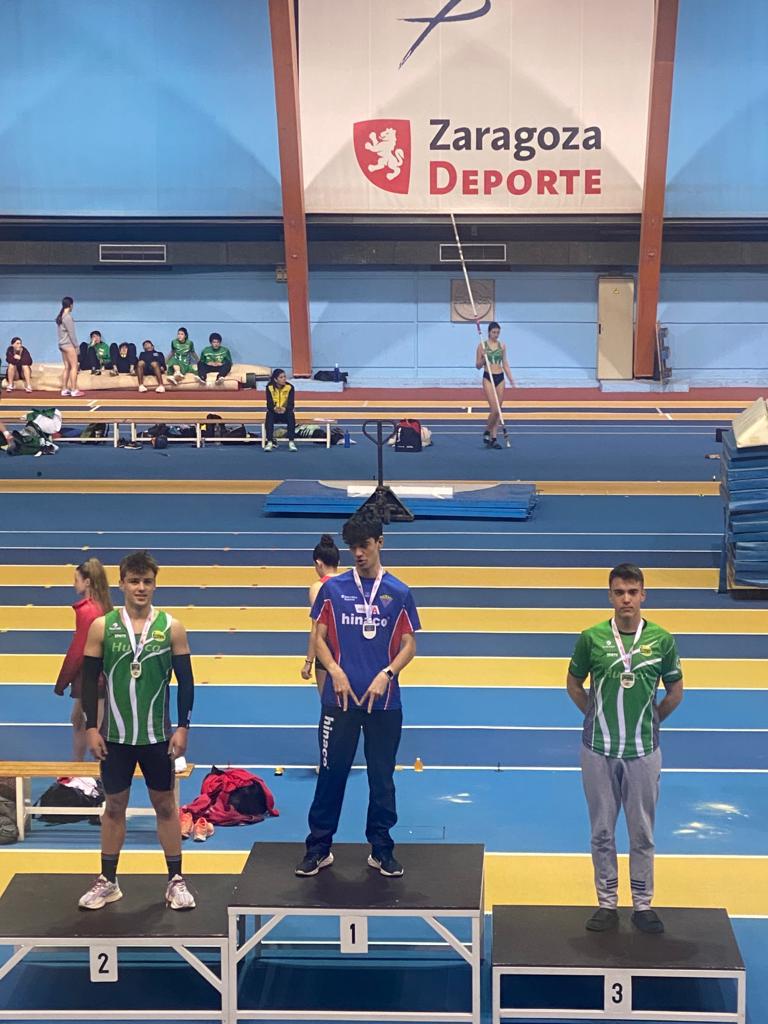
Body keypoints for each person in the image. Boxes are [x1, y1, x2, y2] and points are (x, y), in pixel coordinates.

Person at [295, 509, 420, 879]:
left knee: (382, 779)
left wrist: (388, 673)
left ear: (380, 542)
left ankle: (381, 849)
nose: (359, 553)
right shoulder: (333, 590)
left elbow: (410, 645)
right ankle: (319, 848)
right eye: (353, 547)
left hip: (384, 703)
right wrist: (333, 671)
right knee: (331, 775)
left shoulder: (399, 592)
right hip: (340, 703)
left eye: (365, 545)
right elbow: (318, 637)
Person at [566, 563, 684, 935]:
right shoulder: (591, 638)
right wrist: (595, 716)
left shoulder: (662, 640)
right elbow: (573, 684)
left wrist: (652, 720)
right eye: (619, 592)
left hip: (644, 751)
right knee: (602, 831)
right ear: (610, 596)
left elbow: (675, 692)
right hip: (598, 749)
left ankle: (643, 904)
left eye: (633, 592)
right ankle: (606, 903)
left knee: (642, 832)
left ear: (643, 594)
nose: (626, 599)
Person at [78, 550, 196, 911]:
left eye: (147, 581)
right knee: (114, 807)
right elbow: (89, 681)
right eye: (134, 581)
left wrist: (183, 727)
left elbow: (186, 682)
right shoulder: (103, 627)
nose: (141, 588)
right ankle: (108, 881)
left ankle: (175, 880)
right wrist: (91, 728)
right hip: (114, 737)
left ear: (155, 585)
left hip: (157, 736)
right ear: (122, 584)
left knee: (166, 805)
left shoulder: (172, 627)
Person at [54, 559, 113, 759]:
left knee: (95, 728)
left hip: (94, 679)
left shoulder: (88, 611)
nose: (74, 584)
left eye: (76, 580)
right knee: (78, 720)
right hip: (93, 678)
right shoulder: (101, 607)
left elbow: (78, 650)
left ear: (87, 582)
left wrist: (62, 681)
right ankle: (77, 767)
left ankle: (97, 771)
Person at [301, 534, 342, 696]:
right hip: (349, 650)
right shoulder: (351, 582)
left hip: (326, 651)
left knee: (328, 701)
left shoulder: (318, 587)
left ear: (318, 563)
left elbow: (316, 627)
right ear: (338, 562)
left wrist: (308, 661)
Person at [475, 321, 514, 449]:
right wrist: (483, 358)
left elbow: (505, 363)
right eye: (494, 332)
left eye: (498, 332)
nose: (496, 335)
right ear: (489, 332)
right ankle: (487, 431)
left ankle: (493, 438)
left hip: (500, 378)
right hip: (488, 377)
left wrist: (511, 378)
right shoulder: (482, 346)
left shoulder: (502, 345)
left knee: (498, 411)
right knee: (494, 410)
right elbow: (477, 366)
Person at [55, 296, 83, 397]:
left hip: (62, 344)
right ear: (71, 305)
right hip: (68, 345)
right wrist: (76, 346)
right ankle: (74, 389)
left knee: (67, 367)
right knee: (74, 367)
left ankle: (64, 389)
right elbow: (72, 334)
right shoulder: (67, 317)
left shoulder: (60, 316)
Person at [265, 368, 297, 452]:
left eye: (284, 377)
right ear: (275, 379)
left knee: (291, 414)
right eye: (281, 377)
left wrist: (285, 409)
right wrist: (274, 409)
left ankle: (291, 442)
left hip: (285, 413)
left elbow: (291, 404)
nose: (284, 379)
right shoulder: (269, 387)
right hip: (274, 413)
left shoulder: (290, 387)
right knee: (269, 415)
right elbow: (269, 404)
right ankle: (269, 442)